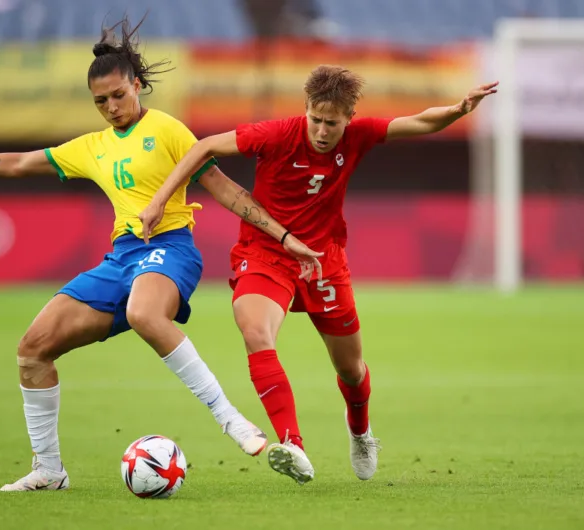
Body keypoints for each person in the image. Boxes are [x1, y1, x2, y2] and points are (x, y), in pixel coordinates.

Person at [0, 16, 323, 492]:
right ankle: (49, 471)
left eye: (119, 95)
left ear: (137, 86)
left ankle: (232, 420)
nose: (112, 107)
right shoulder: (92, 147)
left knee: (143, 312)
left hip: (170, 250)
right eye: (101, 101)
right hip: (120, 260)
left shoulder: (168, 129)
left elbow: (225, 188)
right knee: (33, 350)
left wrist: (283, 237)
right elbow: (17, 163)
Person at [140, 65, 498, 484]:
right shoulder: (274, 134)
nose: (323, 131)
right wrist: (162, 199)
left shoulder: (359, 136)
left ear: (349, 119)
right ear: (306, 110)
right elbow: (203, 148)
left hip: (324, 260)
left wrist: (458, 109)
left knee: (352, 370)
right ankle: (292, 443)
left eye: (332, 123)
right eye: (316, 119)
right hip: (265, 253)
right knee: (256, 332)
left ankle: (361, 431)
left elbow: (418, 121)